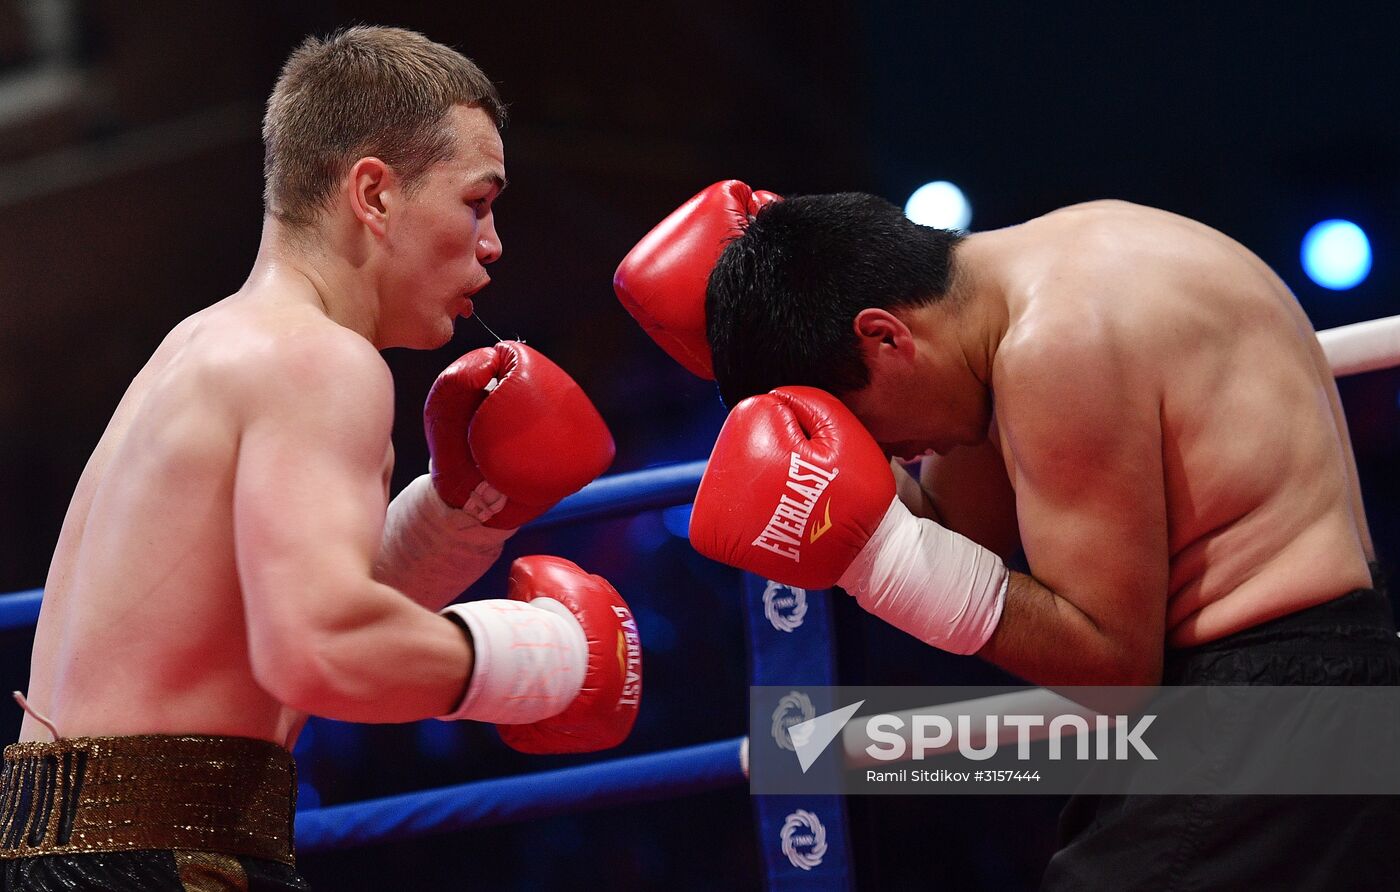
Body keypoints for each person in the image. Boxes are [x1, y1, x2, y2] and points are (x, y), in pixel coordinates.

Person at [615, 181, 1398, 889]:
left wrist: (876, 556)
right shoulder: (1017, 288)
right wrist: (751, 361)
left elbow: (1112, 669)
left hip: (1277, 712)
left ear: (885, 337)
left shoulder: (1059, 345)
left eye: (861, 426)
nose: (882, 454)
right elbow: (962, 540)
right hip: (1295, 703)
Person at [1, 26, 641, 891]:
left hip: (89, 850)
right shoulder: (322, 362)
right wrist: (545, 658)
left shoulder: (210, 342)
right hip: (162, 860)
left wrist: (453, 516)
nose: (492, 244)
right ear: (373, 193)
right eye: (476, 202)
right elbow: (320, 647)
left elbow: (281, 616)